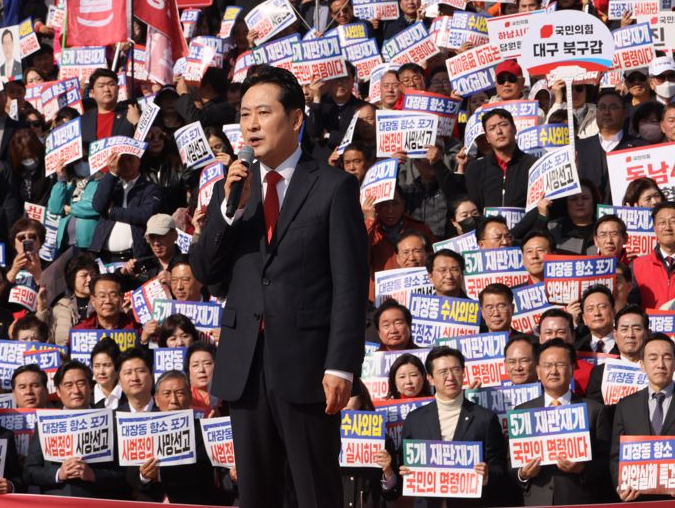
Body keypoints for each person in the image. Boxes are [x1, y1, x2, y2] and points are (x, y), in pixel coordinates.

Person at [190, 65, 369, 508]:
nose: (251, 124)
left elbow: (349, 284)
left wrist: (341, 366)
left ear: (294, 119)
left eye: (263, 112)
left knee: (315, 491)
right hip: (244, 364)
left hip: (307, 367)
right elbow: (206, 272)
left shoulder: (333, 187)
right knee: (256, 496)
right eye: (245, 114)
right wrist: (230, 213)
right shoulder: (231, 188)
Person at [388, 346, 506, 505]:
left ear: (463, 373)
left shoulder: (485, 418)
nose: (450, 377)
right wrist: (404, 471)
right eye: (443, 372)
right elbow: (403, 464)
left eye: (456, 370)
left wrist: (486, 475)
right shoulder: (415, 419)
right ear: (430, 378)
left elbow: (499, 468)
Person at [513, 339, 612, 505]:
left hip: (578, 500)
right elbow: (511, 462)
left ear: (572, 369)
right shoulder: (522, 412)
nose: (553, 371)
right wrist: (523, 473)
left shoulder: (594, 410)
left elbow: (606, 461)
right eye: (547, 365)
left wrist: (581, 469)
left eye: (560, 364)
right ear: (538, 370)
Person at [23, 360, 128, 498]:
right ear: (58, 391)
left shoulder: (112, 420)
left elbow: (126, 473)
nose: (76, 391)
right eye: (68, 385)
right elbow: (29, 472)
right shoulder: (46, 423)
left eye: (81, 383)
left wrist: (93, 475)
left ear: (91, 387)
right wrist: (59, 473)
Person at [131, 370, 234, 505]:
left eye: (179, 393)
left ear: (190, 396)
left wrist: (160, 475)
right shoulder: (142, 431)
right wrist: (144, 476)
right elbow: (131, 476)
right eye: (166, 394)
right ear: (156, 399)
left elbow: (210, 474)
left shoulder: (205, 430)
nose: (173, 400)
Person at [610, 333, 675, 501]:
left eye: (667, 358)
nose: (660, 365)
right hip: (638, 499)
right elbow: (616, 456)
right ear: (642, 365)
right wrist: (621, 485)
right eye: (653, 358)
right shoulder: (626, 405)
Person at [90, 148, 164, 263]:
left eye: (130, 159)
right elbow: (98, 206)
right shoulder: (110, 184)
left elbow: (146, 214)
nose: (126, 164)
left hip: (133, 257)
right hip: (104, 256)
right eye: (121, 160)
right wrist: (111, 174)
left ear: (139, 160)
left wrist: (113, 212)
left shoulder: (150, 188)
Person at [576, 91, 646, 203]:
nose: (606, 112)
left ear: (625, 113)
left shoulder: (641, 147)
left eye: (613, 107)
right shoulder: (578, 149)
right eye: (601, 107)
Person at [465, 109, 537, 209]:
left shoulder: (533, 165)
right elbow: (474, 208)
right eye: (492, 128)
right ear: (487, 138)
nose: (499, 131)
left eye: (503, 125)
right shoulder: (475, 169)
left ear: (514, 129)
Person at [586, 305, 649, 405]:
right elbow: (595, 412)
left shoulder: (658, 370)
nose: (630, 335)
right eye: (624, 329)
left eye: (637, 329)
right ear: (615, 335)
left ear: (647, 334)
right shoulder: (600, 373)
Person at [538, 309, 594, 397]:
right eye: (548, 332)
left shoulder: (591, 372)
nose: (554, 337)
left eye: (561, 332)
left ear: (573, 336)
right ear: (540, 338)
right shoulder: (530, 371)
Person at [631, 201, 675, 309]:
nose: (668, 228)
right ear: (655, 228)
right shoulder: (637, 266)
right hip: (651, 325)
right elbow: (632, 307)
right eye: (662, 223)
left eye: (673, 221)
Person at [80, 69, 135, 149]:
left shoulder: (131, 114)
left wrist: (137, 123)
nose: (106, 89)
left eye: (111, 84)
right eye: (101, 86)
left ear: (118, 88)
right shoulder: (83, 120)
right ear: (92, 92)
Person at [50, 254, 99, 346]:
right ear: (72, 279)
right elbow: (48, 337)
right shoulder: (60, 306)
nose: (90, 279)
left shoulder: (102, 302)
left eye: (93, 274)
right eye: (84, 276)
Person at [73, 274, 140, 331]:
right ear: (93, 300)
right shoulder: (80, 331)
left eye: (113, 295)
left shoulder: (136, 328)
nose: (108, 301)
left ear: (121, 298)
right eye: (102, 296)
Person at [576, 285, 620, 356]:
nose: (597, 313)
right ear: (584, 318)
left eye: (602, 307)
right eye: (590, 309)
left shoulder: (626, 344)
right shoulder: (576, 349)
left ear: (614, 312)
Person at [116, 348, 154, 413]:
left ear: (151, 375)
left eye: (140, 371)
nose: (134, 378)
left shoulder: (166, 412)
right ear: (119, 379)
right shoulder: (113, 419)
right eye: (128, 373)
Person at [187, 341, 219, 417]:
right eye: (195, 365)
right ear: (188, 370)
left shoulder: (228, 396)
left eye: (207, 363)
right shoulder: (183, 398)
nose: (201, 370)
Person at [90, 338, 121, 409]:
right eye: (96, 366)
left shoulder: (129, 395)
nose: (101, 372)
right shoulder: (87, 398)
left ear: (117, 367)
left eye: (106, 365)